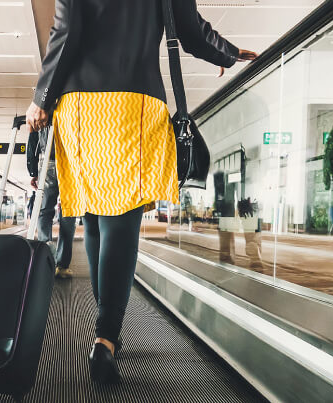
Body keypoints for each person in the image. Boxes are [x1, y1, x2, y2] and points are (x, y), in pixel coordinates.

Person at [25, 0, 257, 383]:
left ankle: (105, 323)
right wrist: (226, 53)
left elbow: (66, 31)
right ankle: (105, 336)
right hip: (136, 101)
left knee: (95, 215)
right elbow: (188, 26)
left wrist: (42, 97)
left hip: (83, 106)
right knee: (122, 220)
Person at [28, 125, 76, 278]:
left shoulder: (43, 109)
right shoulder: (74, 106)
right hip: (70, 162)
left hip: (47, 161)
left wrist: (33, 171)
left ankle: (46, 258)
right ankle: (62, 266)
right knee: (68, 212)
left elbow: (33, 140)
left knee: (44, 211)